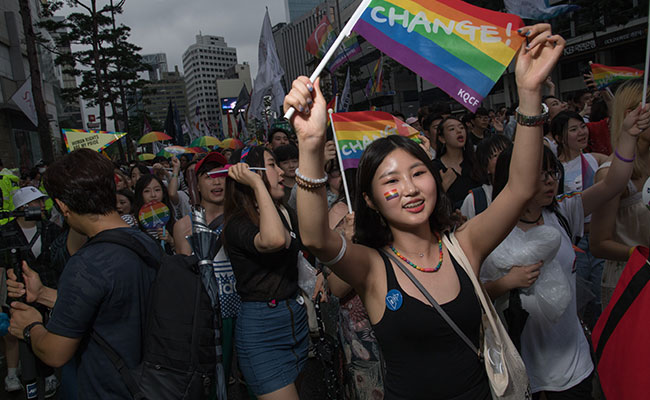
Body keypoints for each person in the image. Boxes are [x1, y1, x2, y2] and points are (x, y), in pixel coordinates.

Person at [285, 24, 565, 400]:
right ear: (369, 200)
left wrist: (529, 95)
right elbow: (317, 238)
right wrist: (311, 144)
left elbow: (519, 189)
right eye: (391, 181)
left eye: (418, 173)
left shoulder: (465, 246)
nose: (410, 188)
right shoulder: (371, 268)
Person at [483, 100, 648, 398]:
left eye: (552, 173)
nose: (550, 181)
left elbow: (614, 184)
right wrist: (506, 283)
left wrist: (628, 135)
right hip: (525, 368)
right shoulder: (491, 230)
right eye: (540, 174)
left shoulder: (562, 211)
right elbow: (472, 296)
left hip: (576, 365)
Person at [7, 148, 160, 399]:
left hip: (107, 389)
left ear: (63, 206)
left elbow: (55, 352)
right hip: (146, 382)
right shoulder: (143, 241)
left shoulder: (87, 264)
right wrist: (43, 293)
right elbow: (110, 308)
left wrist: (30, 326)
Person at [223, 146, 307, 400]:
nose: (282, 171)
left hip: (295, 319)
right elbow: (273, 240)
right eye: (272, 165)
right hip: (263, 331)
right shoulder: (238, 222)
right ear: (252, 173)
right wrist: (258, 185)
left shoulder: (283, 212)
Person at [172, 151, 240, 396]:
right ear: (196, 184)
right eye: (208, 176)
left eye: (221, 175)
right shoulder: (183, 227)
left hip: (242, 314)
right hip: (205, 320)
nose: (216, 182)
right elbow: (186, 280)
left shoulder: (243, 220)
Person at [590, 78, 650, 308]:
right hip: (630, 284)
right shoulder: (609, 176)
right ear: (632, 114)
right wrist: (641, 254)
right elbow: (598, 243)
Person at [551, 110, 608, 324]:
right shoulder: (554, 170)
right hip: (575, 244)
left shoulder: (596, 160)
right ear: (558, 137)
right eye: (573, 130)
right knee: (583, 304)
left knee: (603, 299)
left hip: (600, 239)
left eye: (582, 126)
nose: (581, 132)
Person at [434, 116, 485, 208]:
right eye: (452, 129)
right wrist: (444, 186)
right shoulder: (434, 167)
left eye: (461, 127)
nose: (459, 131)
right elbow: (432, 204)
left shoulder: (476, 161)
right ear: (442, 139)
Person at [460, 135, 512, 219]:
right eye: (495, 155)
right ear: (485, 167)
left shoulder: (528, 190)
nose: (504, 157)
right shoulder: (475, 200)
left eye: (505, 152)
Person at [132, 174, 175, 253]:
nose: (153, 195)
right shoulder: (131, 222)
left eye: (157, 190)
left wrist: (171, 241)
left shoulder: (173, 221)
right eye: (147, 191)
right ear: (140, 194)